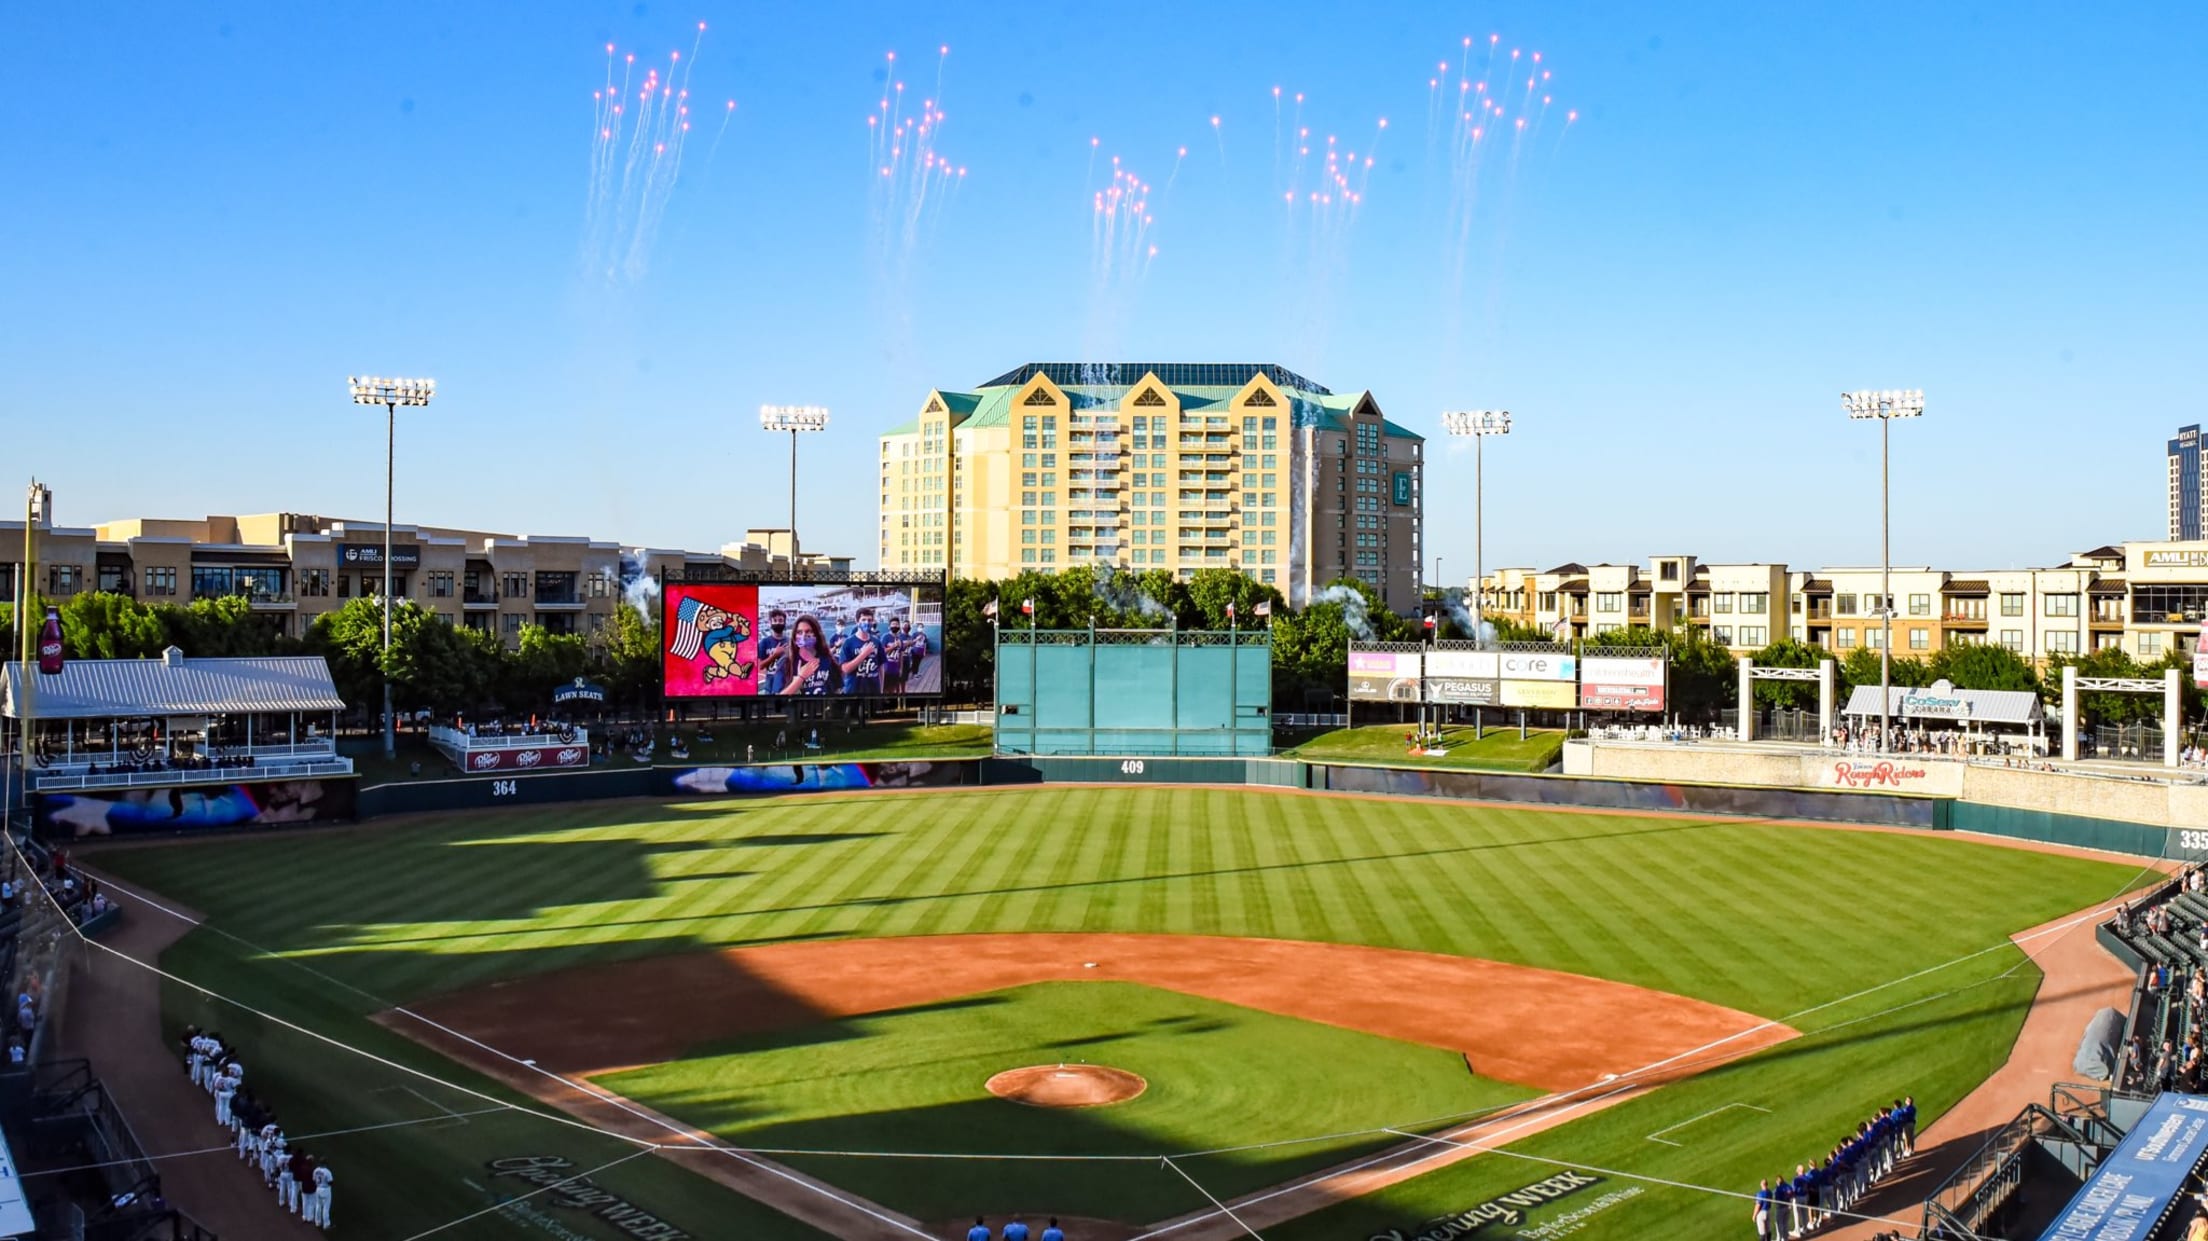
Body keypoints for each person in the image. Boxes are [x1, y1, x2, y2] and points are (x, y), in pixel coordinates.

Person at [774, 615, 837, 696]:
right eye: (799, 632)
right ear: (794, 635)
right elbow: (777, 699)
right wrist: (801, 678)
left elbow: (836, 690)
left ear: (817, 634)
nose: (803, 636)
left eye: (808, 631)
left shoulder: (828, 660)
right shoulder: (785, 662)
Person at [838, 608, 884, 696]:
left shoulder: (877, 642)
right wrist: (863, 654)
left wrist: (881, 690)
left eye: (869, 620)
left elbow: (881, 667)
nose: (867, 622)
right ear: (857, 621)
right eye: (863, 620)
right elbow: (845, 669)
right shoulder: (848, 643)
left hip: (873, 691)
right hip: (853, 691)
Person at [758, 609, 789, 695]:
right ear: (770, 622)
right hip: (770, 685)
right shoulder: (764, 642)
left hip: (787, 685)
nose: (778, 623)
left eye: (780, 620)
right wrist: (774, 655)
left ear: (784, 622)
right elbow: (761, 666)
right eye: (775, 620)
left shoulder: (790, 642)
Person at [309, 1160, 334, 1228]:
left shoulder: (316, 1170)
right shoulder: (327, 1171)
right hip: (326, 1190)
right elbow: (330, 1182)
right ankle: (326, 1224)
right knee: (326, 1207)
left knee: (318, 1205)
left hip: (318, 1189)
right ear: (325, 1163)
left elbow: (314, 1179)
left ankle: (317, 1222)